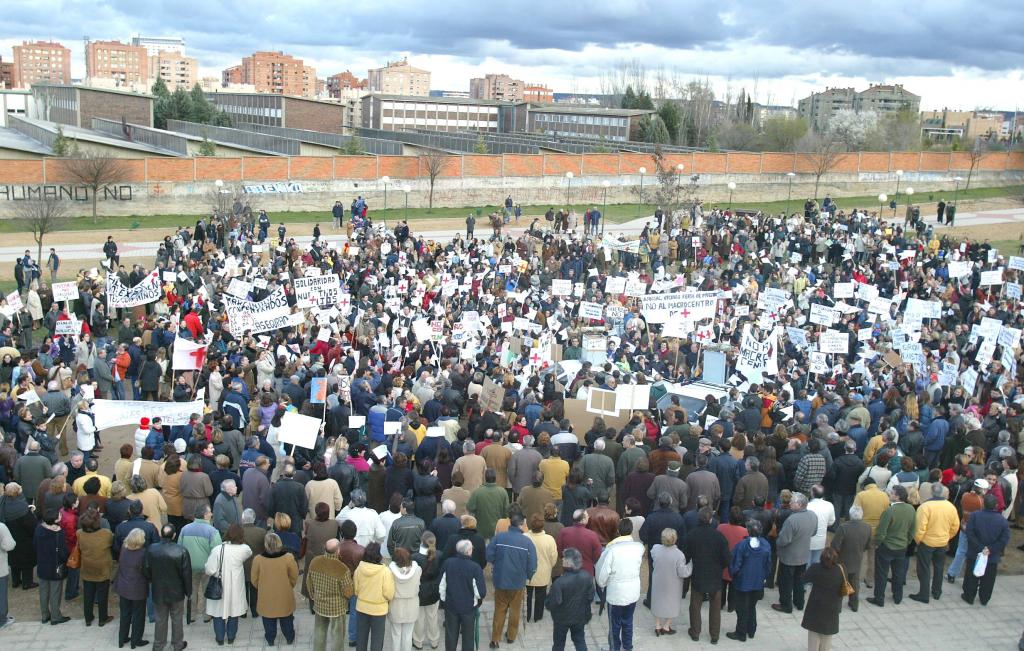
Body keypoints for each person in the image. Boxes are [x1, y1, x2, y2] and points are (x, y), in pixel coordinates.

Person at [485, 511, 537, 647]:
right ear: (520, 525)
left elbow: (489, 555)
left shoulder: (499, 537)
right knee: (515, 609)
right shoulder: (527, 542)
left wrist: (497, 563)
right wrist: (529, 576)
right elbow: (532, 564)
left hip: (500, 580)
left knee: (499, 609)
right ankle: (511, 636)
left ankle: (495, 639)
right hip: (518, 582)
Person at [682, 506, 729, 643]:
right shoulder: (719, 536)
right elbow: (727, 558)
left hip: (698, 574)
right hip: (715, 575)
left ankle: (695, 632)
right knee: (715, 606)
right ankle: (714, 636)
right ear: (710, 520)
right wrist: (720, 567)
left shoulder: (691, 535)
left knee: (695, 605)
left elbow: (686, 555)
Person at [595, 519, 644, 651]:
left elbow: (602, 574)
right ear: (631, 530)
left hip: (615, 594)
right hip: (633, 592)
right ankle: (628, 647)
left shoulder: (611, 550)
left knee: (614, 625)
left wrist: (602, 585)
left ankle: (614, 648)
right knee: (628, 621)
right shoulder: (639, 548)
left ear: (618, 531)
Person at [866, 485, 915, 608]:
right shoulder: (911, 509)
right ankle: (897, 597)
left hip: (887, 547)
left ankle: (879, 598)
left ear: (897, 496)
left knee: (882, 573)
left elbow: (881, 532)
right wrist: (907, 541)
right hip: (902, 547)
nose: (889, 494)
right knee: (898, 573)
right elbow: (912, 529)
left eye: (892, 493)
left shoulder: (889, 511)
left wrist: (877, 544)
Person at [910, 482, 959, 604]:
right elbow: (955, 526)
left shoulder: (925, 507)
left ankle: (923, 594)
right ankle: (937, 592)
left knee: (924, 568)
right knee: (939, 567)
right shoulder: (950, 507)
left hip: (926, 542)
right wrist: (947, 537)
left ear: (931, 492)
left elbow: (920, 527)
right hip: (942, 542)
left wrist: (918, 540)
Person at [144, 524, 191, 651]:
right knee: (177, 618)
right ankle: (177, 644)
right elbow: (186, 574)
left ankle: (158, 645)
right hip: (177, 591)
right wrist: (188, 591)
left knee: (160, 618)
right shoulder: (181, 550)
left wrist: (152, 580)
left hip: (158, 590)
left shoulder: (151, 549)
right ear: (174, 535)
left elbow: (146, 570)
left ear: (161, 534)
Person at [205, 524, 252, 645]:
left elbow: (210, 570)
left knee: (218, 613)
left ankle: (220, 638)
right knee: (233, 612)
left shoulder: (217, 550)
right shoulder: (244, 549)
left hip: (219, 586)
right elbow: (249, 553)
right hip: (235, 586)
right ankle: (231, 637)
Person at [771, 492, 817, 613]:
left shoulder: (792, 520)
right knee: (799, 580)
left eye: (792, 502)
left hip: (789, 557)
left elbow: (783, 540)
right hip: (803, 555)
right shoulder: (813, 515)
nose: (790, 503)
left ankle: (786, 605)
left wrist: (777, 543)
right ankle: (799, 602)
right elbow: (814, 532)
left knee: (785, 582)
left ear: (799, 504)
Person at [726, 519, 771, 643]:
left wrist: (733, 575)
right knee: (752, 606)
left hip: (742, 583)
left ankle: (741, 633)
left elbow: (735, 564)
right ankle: (751, 630)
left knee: (741, 608)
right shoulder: (766, 545)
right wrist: (763, 577)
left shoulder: (742, 545)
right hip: (758, 583)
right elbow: (768, 565)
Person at [961, 493, 1010, 605]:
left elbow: (970, 533)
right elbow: (1004, 539)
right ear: (996, 505)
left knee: (971, 575)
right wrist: (990, 549)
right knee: (989, 578)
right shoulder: (1002, 521)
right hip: (992, 556)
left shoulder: (974, 516)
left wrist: (981, 548)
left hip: (975, 552)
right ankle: (984, 598)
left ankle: (969, 596)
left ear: (983, 504)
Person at [251, 532, 299, 645]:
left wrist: (262, 587)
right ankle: (289, 637)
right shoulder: (288, 557)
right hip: (284, 594)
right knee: (287, 618)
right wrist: (289, 585)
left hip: (266, 595)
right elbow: (294, 575)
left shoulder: (258, 559)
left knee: (268, 618)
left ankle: (270, 639)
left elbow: (254, 579)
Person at [307, 538, 355, 651]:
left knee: (319, 631)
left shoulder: (314, 562)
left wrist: (314, 596)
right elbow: (348, 593)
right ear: (338, 551)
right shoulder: (342, 569)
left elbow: (309, 583)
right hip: (337, 608)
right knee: (337, 636)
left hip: (319, 605)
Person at [439, 539, 485, 651]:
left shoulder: (448, 563)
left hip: (451, 606)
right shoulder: (475, 567)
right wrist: (476, 601)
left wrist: (445, 601)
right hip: (468, 608)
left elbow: (441, 586)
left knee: (450, 636)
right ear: (469, 551)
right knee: (468, 638)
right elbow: (480, 592)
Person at [179, 504, 222, 624]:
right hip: (206, 567)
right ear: (204, 515)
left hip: (189, 567)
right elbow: (217, 550)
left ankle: (191, 615)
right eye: (210, 512)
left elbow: (179, 548)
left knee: (191, 591)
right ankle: (206, 615)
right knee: (206, 590)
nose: (211, 514)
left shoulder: (184, 529)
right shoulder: (212, 531)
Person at [545, 547, 594, 651]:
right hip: (580, 617)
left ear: (568, 563)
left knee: (558, 645)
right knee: (580, 641)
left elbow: (552, 603)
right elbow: (590, 597)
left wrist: (547, 602)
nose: (562, 559)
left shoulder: (559, 582)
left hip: (561, 620)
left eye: (564, 558)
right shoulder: (587, 577)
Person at [801, 547, 845, 651]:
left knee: (814, 634)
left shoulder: (816, 568)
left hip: (816, 606)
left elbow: (804, 579)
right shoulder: (841, 569)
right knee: (827, 635)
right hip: (832, 607)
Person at [353, 542, 395, 651]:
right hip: (379, 610)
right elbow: (389, 594)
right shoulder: (385, 571)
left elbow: (356, 590)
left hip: (362, 607)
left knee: (361, 638)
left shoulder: (359, 569)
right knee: (377, 640)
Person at [829, 505, 872, 611]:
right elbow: (868, 545)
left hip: (842, 561)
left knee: (839, 583)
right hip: (857, 560)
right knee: (855, 583)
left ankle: (837, 607)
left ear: (850, 514)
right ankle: (854, 605)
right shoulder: (867, 527)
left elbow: (835, 545)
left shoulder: (843, 527)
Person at [650, 526, 690, 636]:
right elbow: (683, 573)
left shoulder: (655, 549)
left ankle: (657, 626)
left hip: (658, 581)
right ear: (675, 539)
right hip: (673, 584)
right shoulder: (679, 555)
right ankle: (666, 626)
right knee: (672, 604)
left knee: (657, 601)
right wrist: (691, 565)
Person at [78, 508, 115, 627]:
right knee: (102, 594)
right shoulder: (106, 534)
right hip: (102, 568)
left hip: (87, 566)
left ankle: (88, 618)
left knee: (88, 594)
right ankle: (102, 618)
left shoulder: (79, 533)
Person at [34, 508, 70, 625]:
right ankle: (55, 616)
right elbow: (63, 553)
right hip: (55, 567)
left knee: (43, 591)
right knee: (55, 592)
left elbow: (34, 544)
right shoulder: (59, 533)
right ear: (55, 520)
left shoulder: (39, 528)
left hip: (42, 565)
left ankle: (45, 615)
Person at [115, 528, 150, 648]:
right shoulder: (143, 553)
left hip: (123, 587)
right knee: (138, 615)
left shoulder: (124, 549)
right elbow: (147, 572)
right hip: (138, 589)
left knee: (125, 614)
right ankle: (136, 640)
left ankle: (122, 638)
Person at [523, 513, 558, 623]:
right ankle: (538, 616)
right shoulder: (549, 539)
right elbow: (553, 557)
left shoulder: (524, 537)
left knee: (528, 595)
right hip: (543, 572)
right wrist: (549, 566)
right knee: (541, 595)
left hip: (527, 572)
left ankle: (528, 614)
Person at [387, 547, 422, 651]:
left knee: (396, 634)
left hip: (396, 605)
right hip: (412, 605)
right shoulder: (418, 570)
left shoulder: (390, 571)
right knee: (408, 634)